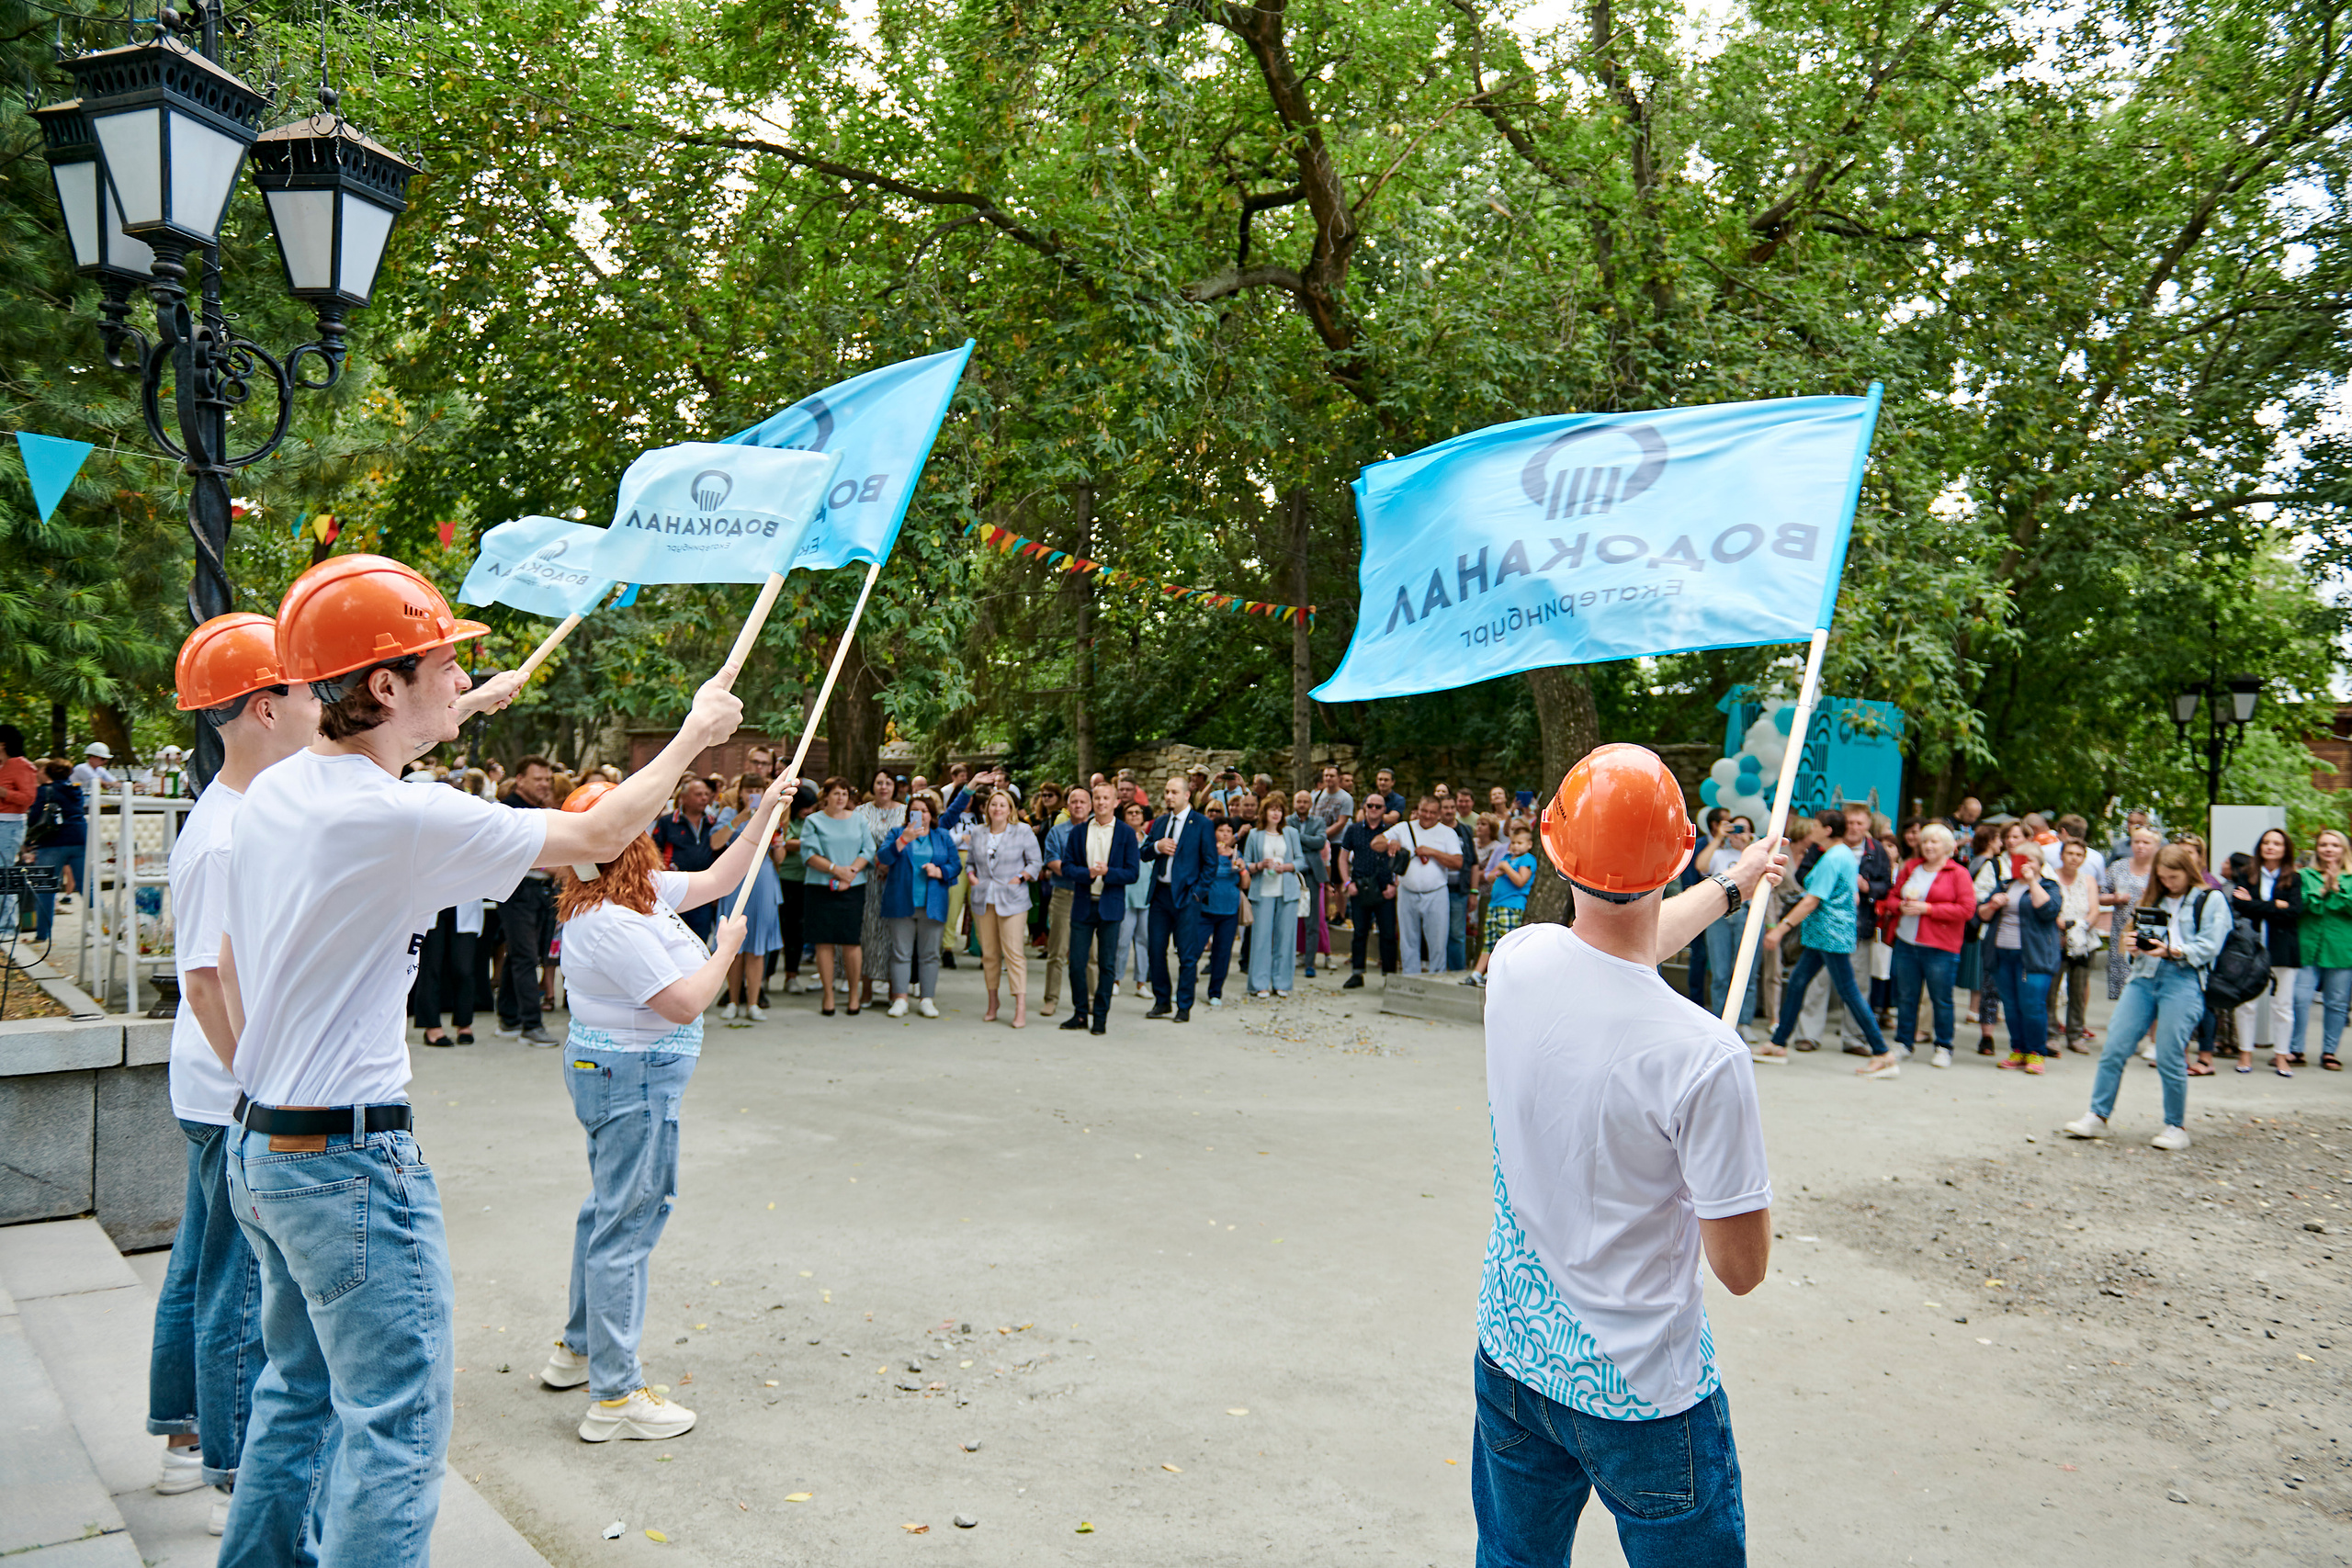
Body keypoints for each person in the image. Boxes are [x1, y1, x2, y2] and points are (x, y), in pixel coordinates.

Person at [216, 554, 742, 1564]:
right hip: (348, 1162)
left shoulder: (283, 790)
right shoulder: (396, 817)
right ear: (384, 685)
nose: (462, 679)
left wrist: (465, 708)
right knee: (397, 1430)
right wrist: (694, 732)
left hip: (262, 1144)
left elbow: (242, 953)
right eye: (445, 666)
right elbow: (598, 830)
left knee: (296, 1400)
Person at [1476, 744, 1781, 1565]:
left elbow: (1620, 943)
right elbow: (1742, 1268)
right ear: (1679, 850)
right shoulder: (1704, 1054)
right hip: (1641, 1391)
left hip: (1513, 1354)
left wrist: (1733, 884)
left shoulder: (1517, 961)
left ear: (1552, 844)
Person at [148, 615, 318, 1536]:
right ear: (264, 707)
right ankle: (231, 1470)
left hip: (213, 1082)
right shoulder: (226, 833)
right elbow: (208, 975)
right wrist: (264, 1090)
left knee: (199, 1268)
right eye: (303, 690)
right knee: (237, 1288)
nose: (317, 704)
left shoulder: (238, 810)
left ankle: (182, 1442)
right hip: (229, 1087)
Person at [538, 778, 759, 1441]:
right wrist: (724, 951)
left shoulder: (634, 891)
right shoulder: (607, 921)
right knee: (629, 1222)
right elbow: (684, 1003)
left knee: (609, 1210)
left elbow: (720, 876)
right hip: (631, 1079)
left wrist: (763, 812)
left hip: (623, 1075)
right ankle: (614, 1395)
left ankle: (579, 1348)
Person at [2066, 842, 2233, 1149]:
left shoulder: (2210, 899)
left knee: (2170, 1054)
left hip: (2183, 979)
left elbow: (2211, 945)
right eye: (2163, 878)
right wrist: (2132, 946)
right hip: (2143, 978)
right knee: (2115, 1047)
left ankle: (2175, 1126)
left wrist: (2173, 950)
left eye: (2174, 878)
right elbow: (2136, 939)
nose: (2169, 883)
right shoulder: (2153, 897)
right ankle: (2097, 1116)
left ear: (2188, 872)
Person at [1760, 808, 1894, 1073]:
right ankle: (1778, 1043)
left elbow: (1812, 900)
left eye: (1816, 826)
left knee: (1849, 992)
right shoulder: (1841, 854)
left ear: (1828, 830)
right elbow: (1852, 896)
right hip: (1825, 934)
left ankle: (1883, 1053)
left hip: (1830, 935)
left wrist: (1780, 929)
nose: (1811, 830)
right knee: (1798, 982)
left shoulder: (1833, 858)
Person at [1877, 820, 1975, 1067]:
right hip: (1907, 942)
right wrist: (1900, 906)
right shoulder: (1911, 867)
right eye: (1925, 841)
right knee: (1906, 996)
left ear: (1947, 846)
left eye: (1934, 842)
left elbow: (1966, 909)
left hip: (1940, 947)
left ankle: (1944, 1046)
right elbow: (1892, 897)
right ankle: (1903, 1043)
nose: (1928, 846)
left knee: (1941, 998)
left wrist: (1928, 909)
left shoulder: (1958, 873)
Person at [1977, 821, 2062, 1071]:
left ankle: (2036, 1052)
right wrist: (1992, 904)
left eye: (2029, 861)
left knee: (2032, 1004)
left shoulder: (2048, 886)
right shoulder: (2005, 885)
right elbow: (1981, 914)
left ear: (2039, 864)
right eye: (2017, 859)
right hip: (2002, 953)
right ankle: (2018, 1050)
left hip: (2034, 957)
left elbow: (2048, 910)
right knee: (2011, 1005)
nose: (2023, 864)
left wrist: (2031, 881)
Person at [490, 755, 560, 1044]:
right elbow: (508, 851)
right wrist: (550, 866)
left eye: (547, 779)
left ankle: (509, 1018)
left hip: (540, 892)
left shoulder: (540, 809)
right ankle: (531, 1025)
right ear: (520, 779)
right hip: (517, 892)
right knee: (526, 957)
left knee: (520, 955)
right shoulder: (508, 810)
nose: (545, 784)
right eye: (538, 779)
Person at [1056, 783, 1136, 1033]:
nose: (1101, 802)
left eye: (1106, 798)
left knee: (1106, 965)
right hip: (1083, 904)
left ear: (1115, 802)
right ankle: (1080, 1013)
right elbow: (1067, 867)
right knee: (1077, 964)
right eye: (1097, 798)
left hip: (1110, 907)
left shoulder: (1125, 833)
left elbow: (1132, 872)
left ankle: (1100, 1017)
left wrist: (1108, 873)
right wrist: (1088, 873)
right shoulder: (1079, 832)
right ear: (1092, 802)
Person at [876, 789, 961, 1018]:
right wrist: (904, 840)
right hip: (901, 901)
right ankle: (900, 999)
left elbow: (956, 865)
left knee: (930, 954)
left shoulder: (942, 836)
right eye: (914, 811)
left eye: (924, 811)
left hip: (932, 902)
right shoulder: (896, 833)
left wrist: (940, 871)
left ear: (931, 815)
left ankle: (927, 998)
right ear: (907, 814)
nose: (920, 814)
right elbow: (883, 858)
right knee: (900, 953)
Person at [799, 777, 877, 1018]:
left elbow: (868, 849)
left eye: (844, 793)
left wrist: (850, 872)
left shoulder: (858, 820)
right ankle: (828, 994)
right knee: (824, 941)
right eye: (835, 793)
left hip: (852, 886)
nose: (841, 798)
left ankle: (854, 994)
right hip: (821, 886)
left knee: (851, 941)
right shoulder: (814, 821)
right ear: (826, 796)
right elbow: (809, 854)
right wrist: (836, 869)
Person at [1140, 774, 1215, 1021]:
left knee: (1187, 954)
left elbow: (1210, 864)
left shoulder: (1201, 823)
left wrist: (1197, 894)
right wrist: (1157, 846)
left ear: (1186, 795)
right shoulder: (1160, 823)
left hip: (1186, 897)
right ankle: (1162, 1002)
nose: (1169, 796)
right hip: (1160, 895)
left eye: (1174, 792)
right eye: (1166, 792)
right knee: (1155, 950)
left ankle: (1184, 1006)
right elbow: (1143, 853)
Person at [966, 787, 1041, 1024]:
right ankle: (992, 1001)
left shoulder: (1023, 831)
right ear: (987, 808)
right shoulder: (977, 832)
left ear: (1010, 810)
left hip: (1013, 898)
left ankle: (1020, 1006)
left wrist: (1020, 877)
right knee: (989, 954)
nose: (997, 808)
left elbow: (1036, 862)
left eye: (1002, 804)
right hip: (983, 898)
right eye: (993, 804)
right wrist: (971, 876)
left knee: (1014, 953)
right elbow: (969, 862)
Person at [2230, 827, 2301, 1075]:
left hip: (2283, 949)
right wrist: (2274, 906)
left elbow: (2293, 912)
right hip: (2251, 947)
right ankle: (2245, 1054)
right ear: (2260, 847)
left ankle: (2281, 1057)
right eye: (2266, 842)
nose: (2271, 847)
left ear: (2285, 849)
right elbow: (2240, 906)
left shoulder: (2294, 877)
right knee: (2246, 1003)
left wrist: (2257, 904)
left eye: (2277, 843)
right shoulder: (2246, 873)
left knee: (2282, 1005)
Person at [711, 776, 784, 1021]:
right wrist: (742, 816)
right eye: (748, 790)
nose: (753, 794)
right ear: (740, 793)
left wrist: (779, 838)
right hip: (735, 878)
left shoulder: (774, 813)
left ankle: (753, 1002)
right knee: (734, 945)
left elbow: (780, 856)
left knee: (757, 945)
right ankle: (732, 1000)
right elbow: (715, 842)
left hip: (762, 879)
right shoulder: (730, 813)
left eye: (758, 790)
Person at [1383, 795, 1463, 975]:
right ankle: (1410, 978)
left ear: (1439, 813)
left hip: (1436, 892)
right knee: (1408, 939)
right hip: (1407, 891)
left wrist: (1432, 852)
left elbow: (1458, 862)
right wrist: (1391, 842)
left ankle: (1437, 977)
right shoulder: (1404, 827)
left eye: (1432, 812)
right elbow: (1376, 842)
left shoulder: (1447, 833)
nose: (1427, 815)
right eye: (1424, 811)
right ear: (1418, 809)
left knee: (1437, 941)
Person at [2297, 829, 2352, 1072]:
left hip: (2341, 948)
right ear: (2317, 849)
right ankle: (2295, 1049)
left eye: (2334, 845)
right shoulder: (2305, 875)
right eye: (2324, 845)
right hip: (2308, 945)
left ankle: (2329, 1052)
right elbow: (2302, 905)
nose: (2329, 849)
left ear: (2344, 850)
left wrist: (2337, 888)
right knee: (2299, 999)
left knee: (2337, 1003)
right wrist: (2323, 889)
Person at [1700, 816, 1761, 1030]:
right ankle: (1721, 1022)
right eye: (1734, 828)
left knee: (1747, 972)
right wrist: (1718, 838)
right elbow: (1701, 865)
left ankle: (1744, 1023)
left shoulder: (1755, 856)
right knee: (1720, 971)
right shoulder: (1719, 853)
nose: (1737, 833)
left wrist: (1750, 844)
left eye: (1743, 829)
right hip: (1720, 913)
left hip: (1748, 913)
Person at [854, 771, 907, 1009]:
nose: (883, 787)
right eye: (879, 783)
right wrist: (876, 861)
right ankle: (866, 989)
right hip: (868, 878)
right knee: (869, 932)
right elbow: (856, 842)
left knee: (895, 935)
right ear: (872, 786)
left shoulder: (906, 812)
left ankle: (895, 991)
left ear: (895, 787)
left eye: (888, 783)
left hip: (897, 878)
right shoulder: (861, 812)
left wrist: (890, 863)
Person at [1243, 797, 1305, 999]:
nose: (1276, 813)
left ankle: (1282, 983)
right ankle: (1259, 984)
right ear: (1265, 813)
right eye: (1272, 810)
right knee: (1261, 939)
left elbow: (1301, 860)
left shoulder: (1291, 833)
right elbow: (1246, 863)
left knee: (1286, 939)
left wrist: (1286, 867)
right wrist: (1260, 866)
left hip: (1287, 892)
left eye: (1279, 810)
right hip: (1263, 892)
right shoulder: (1255, 834)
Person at [1339, 794, 1399, 987]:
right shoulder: (1353, 830)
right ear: (1364, 807)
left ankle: (1390, 976)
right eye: (1370, 805)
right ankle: (1357, 973)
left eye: (1378, 806)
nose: (1373, 809)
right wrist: (1348, 883)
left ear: (1384, 810)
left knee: (1388, 934)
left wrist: (1395, 884)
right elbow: (1342, 857)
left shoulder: (1391, 831)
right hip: (1360, 886)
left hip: (1384, 888)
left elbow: (1400, 859)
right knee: (1359, 932)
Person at [2051, 838, 2105, 1052]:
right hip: (2056, 939)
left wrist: (2082, 926)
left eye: (2079, 854)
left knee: (2078, 989)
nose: (2074, 858)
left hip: (2083, 942)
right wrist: (2061, 926)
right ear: (2062, 855)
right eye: (2070, 853)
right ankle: (2050, 1033)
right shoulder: (2050, 876)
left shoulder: (2088, 880)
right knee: (2051, 989)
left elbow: (2094, 909)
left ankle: (2075, 1034)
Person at [1465, 824, 1535, 987]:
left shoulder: (1527, 860)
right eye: (1513, 843)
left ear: (1529, 845)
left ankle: (1495, 973)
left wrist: (1505, 868)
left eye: (1520, 843)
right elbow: (1491, 877)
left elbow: (1520, 881)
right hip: (1495, 903)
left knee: (1504, 940)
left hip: (1511, 906)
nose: (1515, 846)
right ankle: (1477, 972)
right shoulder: (1506, 858)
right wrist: (1501, 868)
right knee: (1489, 940)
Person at [411, 891, 484, 1047]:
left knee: (464, 969)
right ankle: (432, 1026)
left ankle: (464, 1024)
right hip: (433, 903)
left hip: (465, 901)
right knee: (431, 968)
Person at [25, 759, 87, 942]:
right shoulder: (76, 790)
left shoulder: (44, 792)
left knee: (45, 889)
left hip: (52, 842)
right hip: (79, 839)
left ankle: (42, 935)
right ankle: (105, 925)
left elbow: (34, 818)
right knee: (86, 887)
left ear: (48, 773)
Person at [1039, 782, 1086, 1014]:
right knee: (1056, 951)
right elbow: (1053, 862)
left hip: (1091, 897)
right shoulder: (1057, 832)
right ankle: (1051, 999)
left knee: (1091, 954)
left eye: (1082, 802)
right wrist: (1085, 873)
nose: (1078, 805)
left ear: (1090, 806)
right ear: (1068, 805)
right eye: (1074, 801)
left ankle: (1091, 998)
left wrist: (1078, 872)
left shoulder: (1100, 830)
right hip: (1063, 896)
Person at [1199, 818, 1247, 1004]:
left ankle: (1215, 992)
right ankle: (1184, 987)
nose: (1225, 834)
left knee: (1222, 952)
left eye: (1229, 831)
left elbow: (1245, 885)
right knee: (1192, 949)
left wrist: (1243, 870)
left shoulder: (1237, 854)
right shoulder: (1205, 853)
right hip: (1205, 909)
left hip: (1229, 910)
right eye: (1221, 830)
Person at [1114, 799, 1154, 997]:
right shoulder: (1118, 839)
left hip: (1146, 897)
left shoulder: (1150, 841)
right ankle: (1116, 979)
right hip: (1126, 896)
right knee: (1122, 940)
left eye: (1138, 812)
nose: (1135, 816)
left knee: (1144, 941)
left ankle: (1141, 982)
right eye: (1130, 813)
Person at [1292, 788, 1329, 978]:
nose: (1303, 805)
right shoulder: (1287, 821)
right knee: (1288, 918)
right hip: (1291, 874)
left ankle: (1310, 963)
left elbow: (1320, 842)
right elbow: (1288, 844)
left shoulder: (1319, 821)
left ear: (1311, 804)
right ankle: (1286, 959)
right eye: (1299, 801)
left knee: (1312, 920)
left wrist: (1297, 837)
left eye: (1306, 802)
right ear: (1294, 803)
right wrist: (1308, 842)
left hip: (1313, 875)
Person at [0, 725, 34, 935]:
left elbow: (28, 798)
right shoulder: (3, 765)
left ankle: (7, 928)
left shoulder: (21, 765)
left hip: (9, 825)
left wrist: (3, 792)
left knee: (4, 876)